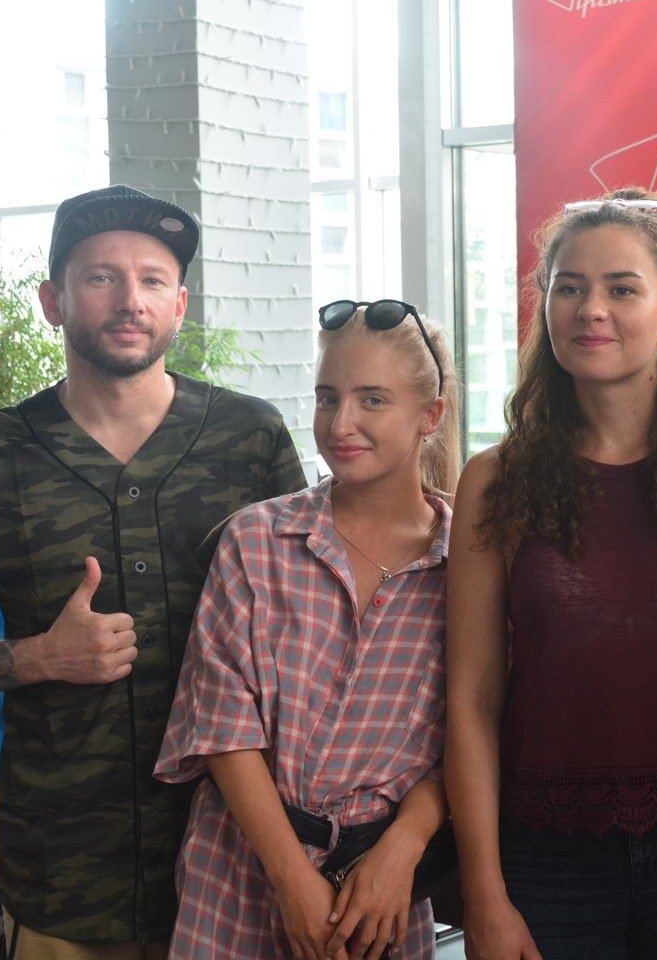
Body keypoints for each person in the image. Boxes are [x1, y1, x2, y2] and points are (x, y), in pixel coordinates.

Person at [0, 184, 306, 958]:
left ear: (179, 305)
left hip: (236, 857)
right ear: (53, 302)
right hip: (63, 867)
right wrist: (39, 657)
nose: (130, 300)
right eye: (100, 278)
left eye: (152, 280)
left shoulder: (250, 439)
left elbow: (308, 627)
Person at [445, 189, 657, 960]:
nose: (591, 309)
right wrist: (484, 894)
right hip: (546, 858)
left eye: (622, 289)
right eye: (569, 287)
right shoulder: (497, 480)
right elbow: (472, 700)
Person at [154, 299, 459, 960]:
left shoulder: (469, 563)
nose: (341, 424)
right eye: (327, 398)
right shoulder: (256, 540)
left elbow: (472, 734)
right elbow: (223, 728)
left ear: (430, 415)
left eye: (372, 400)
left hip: (379, 893)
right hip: (236, 873)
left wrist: (404, 847)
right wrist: (293, 882)